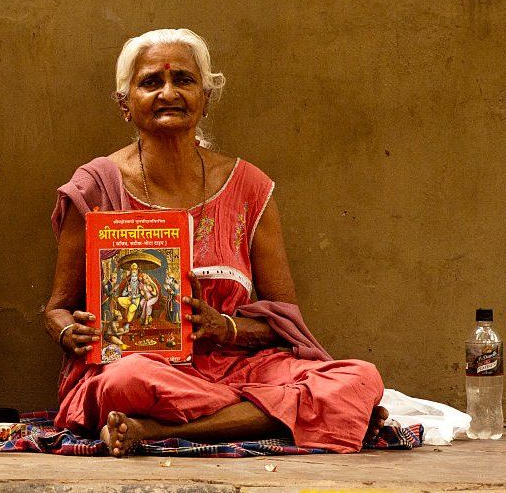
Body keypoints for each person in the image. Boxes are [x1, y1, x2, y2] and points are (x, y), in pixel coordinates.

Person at [42, 28, 388, 456]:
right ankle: (286, 415)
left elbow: (282, 321)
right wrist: (68, 333)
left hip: (235, 367)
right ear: (124, 104)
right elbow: (57, 309)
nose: (168, 92)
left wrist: (223, 326)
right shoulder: (94, 186)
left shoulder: (249, 187)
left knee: (360, 378)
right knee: (121, 382)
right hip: (145, 371)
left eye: (184, 80)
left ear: (205, 98)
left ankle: (149, 431)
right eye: (151, 82)